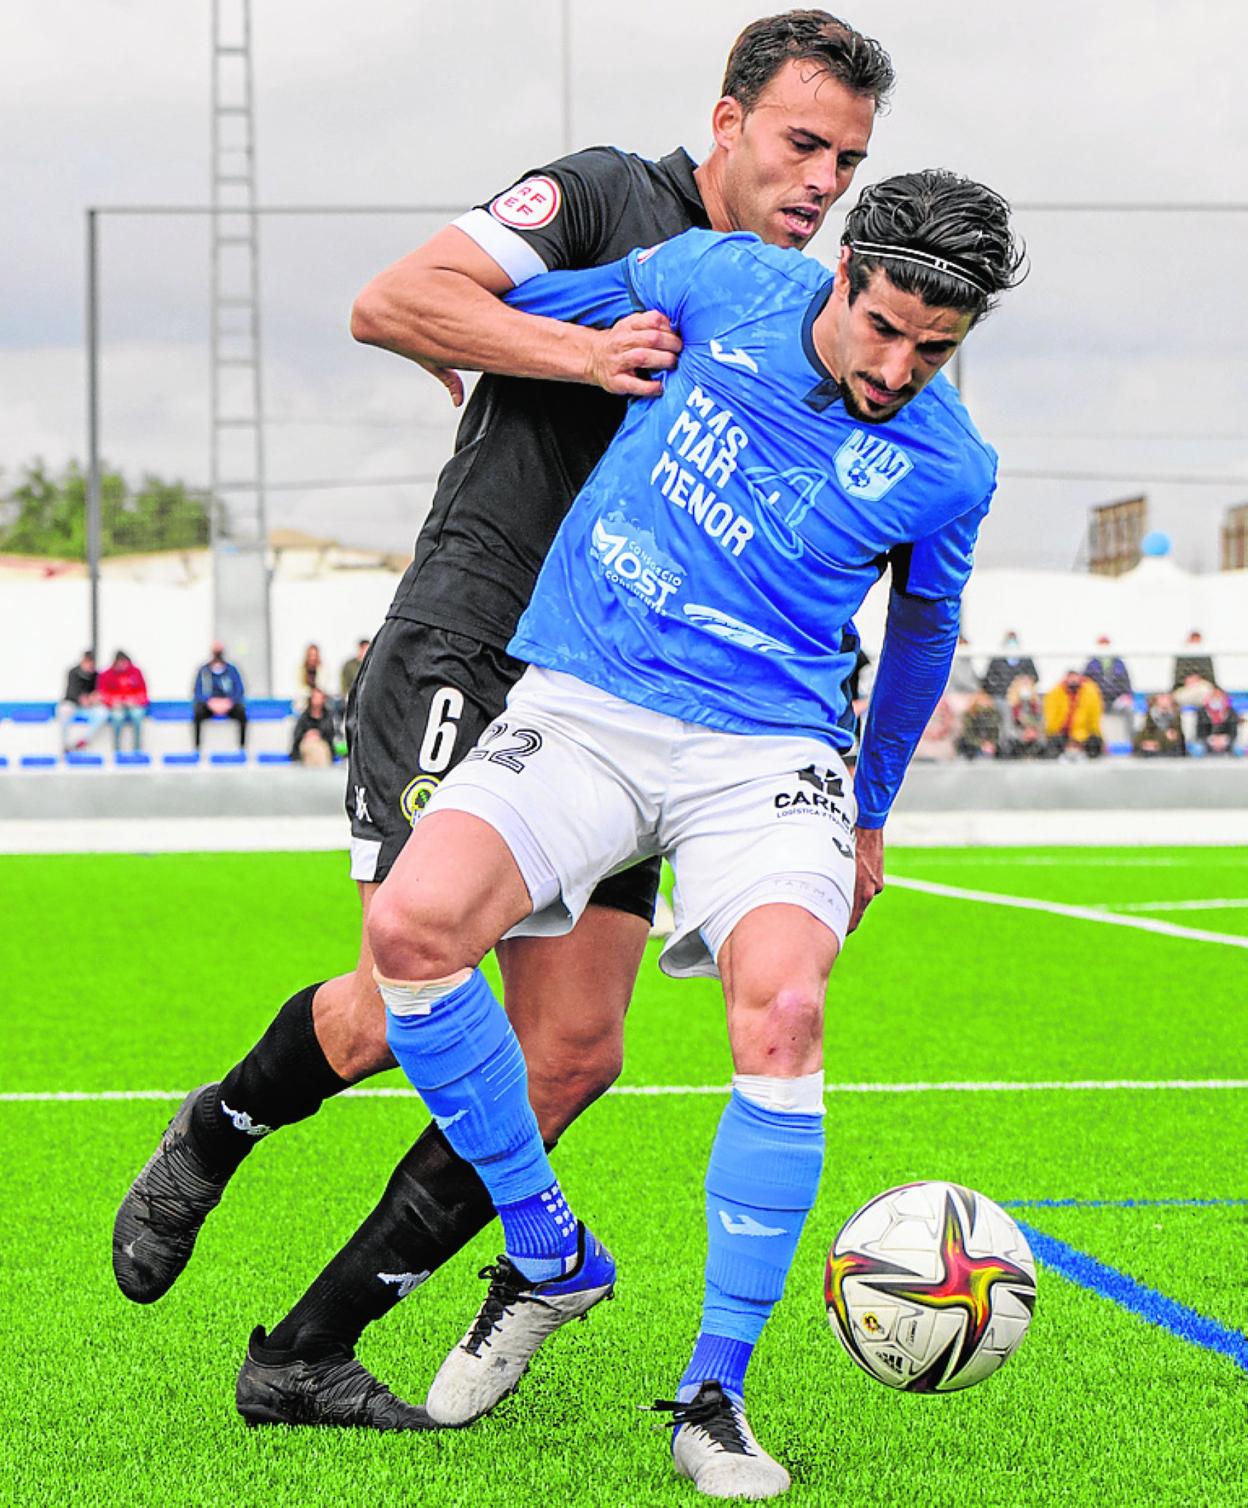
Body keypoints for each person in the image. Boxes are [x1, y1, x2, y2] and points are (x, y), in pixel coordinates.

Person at [111, 7, 895, 1444]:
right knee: (403, 1004)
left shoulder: (801, 304)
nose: (820, 180)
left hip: (633, 697)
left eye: (845, 159)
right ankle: (220, 1127)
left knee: (575, 1054)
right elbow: (398, 298)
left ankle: (307, 1350)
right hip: (477, 636)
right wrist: (576, 354)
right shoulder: (604, 193)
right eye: (800, 142)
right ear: (725, 122)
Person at [362, 169, 1023, 1496]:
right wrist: (485, 349)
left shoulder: (952, 465)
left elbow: (924, 638)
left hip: (766, 752)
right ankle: (551, 1258)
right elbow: (531, 310)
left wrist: (874, 813)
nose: (900, 367)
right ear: (840, 272)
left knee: (782, 1007)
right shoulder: (722, 277)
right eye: (884, 328)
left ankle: (713, 1396)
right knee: (411, 929)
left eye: (935, 349)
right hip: (589, 697)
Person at [192, 642, 247, 750]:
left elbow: (239, 690)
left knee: (242, 712)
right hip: (209, 705)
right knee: (198, 712)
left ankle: (242, 747)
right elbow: (197, 691)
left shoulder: (231, 670)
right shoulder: (204, 671)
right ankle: (197, 747)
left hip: (229, 704)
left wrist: (229, 702)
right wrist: (210, 702)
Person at [97, 650, 149, 754]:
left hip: (134, 705)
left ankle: (137, 749)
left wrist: (134, 700)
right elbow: (102, 694)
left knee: (137, 715)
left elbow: (144, 694)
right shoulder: (106, 675)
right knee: (117, 717)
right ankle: (117, 749)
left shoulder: (136, 673)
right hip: (116, 707)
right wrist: (113, 701)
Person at [1044, 669, 1103, 758]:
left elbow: (1094, 719)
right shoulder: (1056, 693)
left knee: (1095, 742)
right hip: (1063, 734)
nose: (1073, 680)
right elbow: (1051, 719)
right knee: (1053, 744)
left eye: (1075, 677)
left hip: (1083, 734)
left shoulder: (1090, 693)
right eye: (1070, 677)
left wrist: (1080, 738)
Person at [58, 650, 106, 752]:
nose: (90, 665)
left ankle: (83, 741)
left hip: (88, 707)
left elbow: (98, 692)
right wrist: (82, 699)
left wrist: (93, 699)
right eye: (88, 662)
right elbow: (71, 693)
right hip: (72, 705)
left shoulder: (95, 675)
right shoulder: (73, 672)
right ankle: (65, 744)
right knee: (64, 710)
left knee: (102, 712)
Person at [981, 629, 1038, 698]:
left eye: (1013, 640)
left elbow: (1034, 677)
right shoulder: (997, 660)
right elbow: (988, 681)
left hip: (1020, 697)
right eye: (1009, 640)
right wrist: (998, 690)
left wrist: (1024, 682)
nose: (1012, 643)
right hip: (1001, 696)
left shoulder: (1025, 659)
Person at [1083, 635, 1133, 711]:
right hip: (1097, 698)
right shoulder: (1091, 664)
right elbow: (1085, 682)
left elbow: (1126, 682)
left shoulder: (1119, 663)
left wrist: (1126, 696)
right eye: (1102, 644)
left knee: (1128, 708)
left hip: (1116, 699)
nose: (1104, 647)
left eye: (1106, 644)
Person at [290, 688, 337, 765]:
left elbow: (330, 735)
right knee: (312, 749)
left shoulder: (328, 717)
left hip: (323, 745)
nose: (317, 701)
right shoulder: (304, 717)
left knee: (320, 750)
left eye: (319, 698)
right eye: (315, 698)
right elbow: (297, 735)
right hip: (306, 744)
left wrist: (318, 735)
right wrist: (307, 735)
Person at [1134, 691, 1185, 757]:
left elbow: (1178, 741)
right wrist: (1144, 743)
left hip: (1169, 755)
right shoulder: (1149, 716)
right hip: (1149, 755)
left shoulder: (1176, 718)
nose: (1164, 700)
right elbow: (1142, 736)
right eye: (1162, 697)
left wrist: (1158, 744)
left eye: (1167, 697)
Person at [956, 689, 1002, 759]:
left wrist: (990, 743)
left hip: (989, 744)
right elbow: (969, 734)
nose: (983, 703)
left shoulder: (993, 715)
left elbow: (995, 732)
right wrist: (981, 744)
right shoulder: (969, 715)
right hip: (973, 745)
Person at [1195, 685, 1239, 755]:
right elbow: (1200, 730)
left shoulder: (1230, 711)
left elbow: (1233, 731)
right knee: (1198, 748)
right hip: (1207, 739)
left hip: (1226, 739)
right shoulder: (1202, 711)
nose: (1216, 698)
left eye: (1219, 696)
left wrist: (1225, 738)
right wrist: (1210, 739)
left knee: (1238, 748)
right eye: (1214, 695)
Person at [1171, 629, 1216, 698]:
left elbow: (1210, 676)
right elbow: (1178, 676)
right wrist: (1187, 680)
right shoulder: (1182, 657)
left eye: (1197, 640)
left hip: (1203, 686)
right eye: (1193, 640)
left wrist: (1199, 679)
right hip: (1185, 687)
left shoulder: (1205, 658)